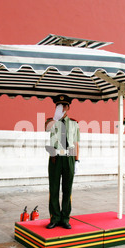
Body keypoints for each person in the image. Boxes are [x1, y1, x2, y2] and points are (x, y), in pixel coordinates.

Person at [44, 95, 80, 229]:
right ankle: (54, 218)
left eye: (64, 105)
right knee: (53, 189)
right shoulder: (51, 121)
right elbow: (47, 128)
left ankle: (65, 218)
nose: (62, 108)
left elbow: (76, 143)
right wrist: (55, 118)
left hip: (69, 157)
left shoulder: (74, 123)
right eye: (59, 106)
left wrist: (77, 161)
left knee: (67, 189)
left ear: (68, 107)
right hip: (55, 157)